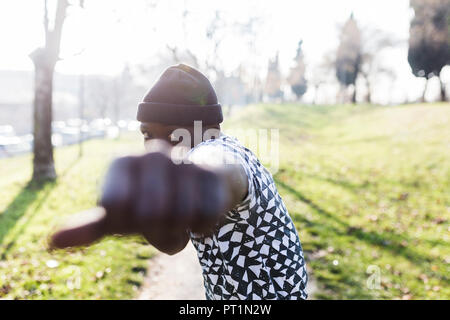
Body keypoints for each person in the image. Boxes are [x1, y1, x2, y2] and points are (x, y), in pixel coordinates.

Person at [51, 64, 308, 300]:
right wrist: (144, 218)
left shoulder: (224, 155)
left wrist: (201, 176)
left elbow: (222, 168)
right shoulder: (184, 180)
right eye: (148, 135)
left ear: (211, 129)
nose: (158, 147)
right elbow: (174, 244)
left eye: (175, 136)